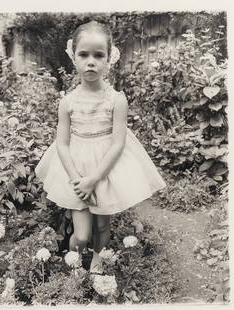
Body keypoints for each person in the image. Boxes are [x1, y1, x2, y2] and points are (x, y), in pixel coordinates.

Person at [35, 21, 166, 273]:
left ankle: (97, 260)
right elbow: (61, 144)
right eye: (84, 55)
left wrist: (94, 179)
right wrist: (78, 181)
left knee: (103, 226)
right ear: (73, 57)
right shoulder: (68, 102)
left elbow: (118, 143)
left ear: (109, 59)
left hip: (104, 171)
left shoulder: (116, 100)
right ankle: (74, 263)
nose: (91, 61)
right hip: (75, 172)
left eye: (98, 55)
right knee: (82, 234)